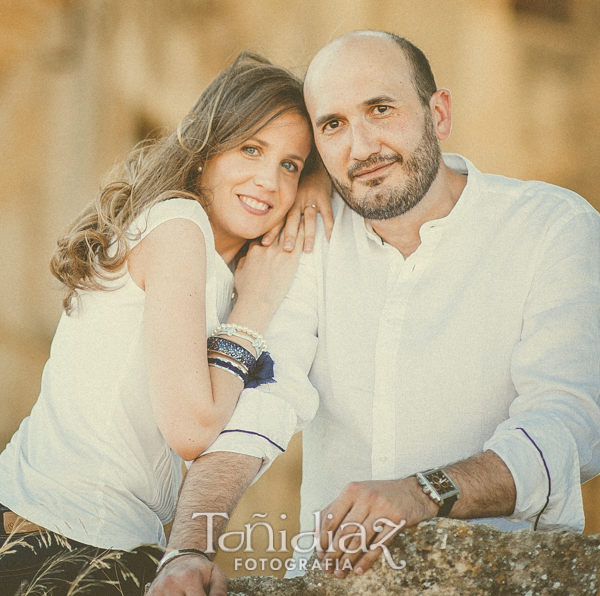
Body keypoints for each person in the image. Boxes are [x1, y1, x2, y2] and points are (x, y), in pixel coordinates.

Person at [147, 30, 600, 596]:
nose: (360, 148)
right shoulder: (313, 233)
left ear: (438, 114)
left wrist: (424, 492)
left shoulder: (552, 228)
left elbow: (568, 425)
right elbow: (262, 403)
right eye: (333, 125)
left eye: (380, 110)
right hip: (333, 583)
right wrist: (188, 550)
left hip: (504, 575)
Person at [0, 51, 333, 596]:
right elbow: (193, 429)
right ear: (204, 151)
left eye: (290, 165)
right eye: (250, 149)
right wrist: (258, 303)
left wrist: (315, 187)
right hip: (54, 541)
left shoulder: (207, 253)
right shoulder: (179, 228)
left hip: (89, 536)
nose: (268, 181)